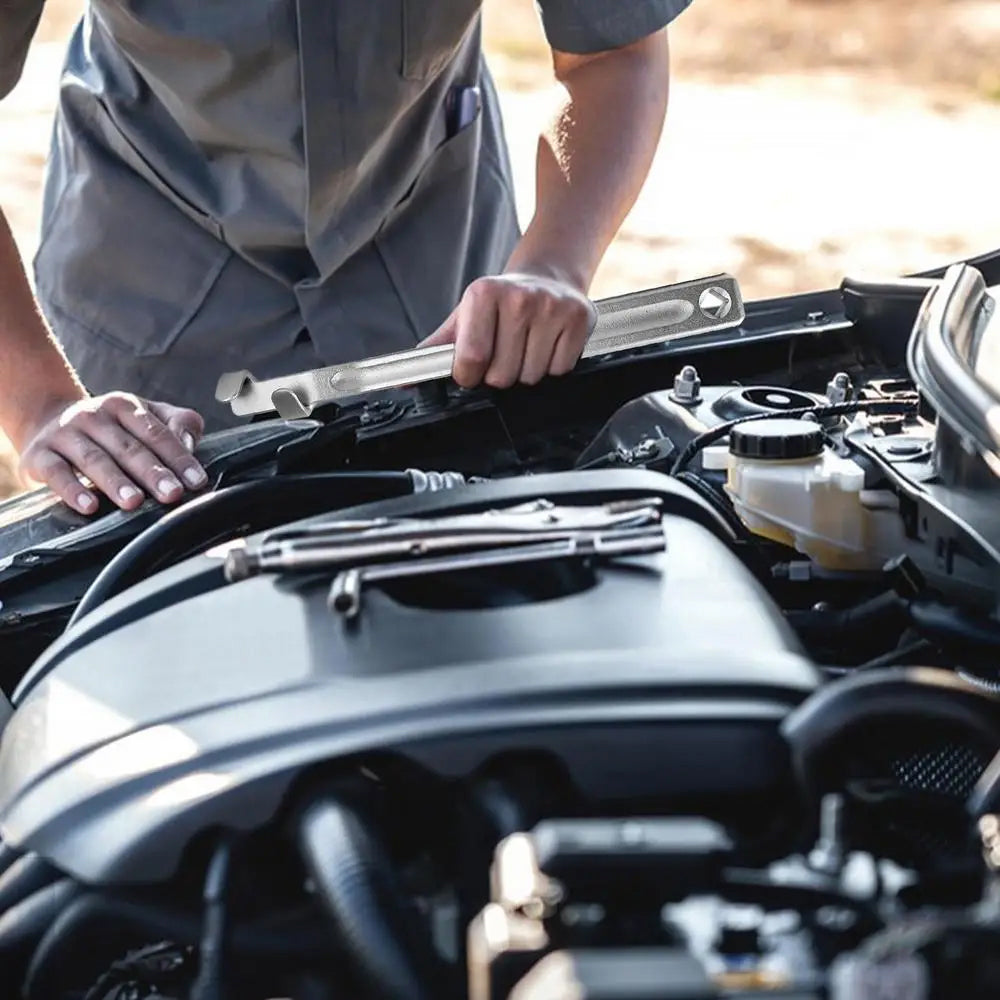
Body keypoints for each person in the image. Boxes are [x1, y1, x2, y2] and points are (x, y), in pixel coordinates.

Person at [0, 1, 688, 515]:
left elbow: (614, 53)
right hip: (145, 292)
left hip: (437, 287)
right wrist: (40, 403)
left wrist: (552, 264)